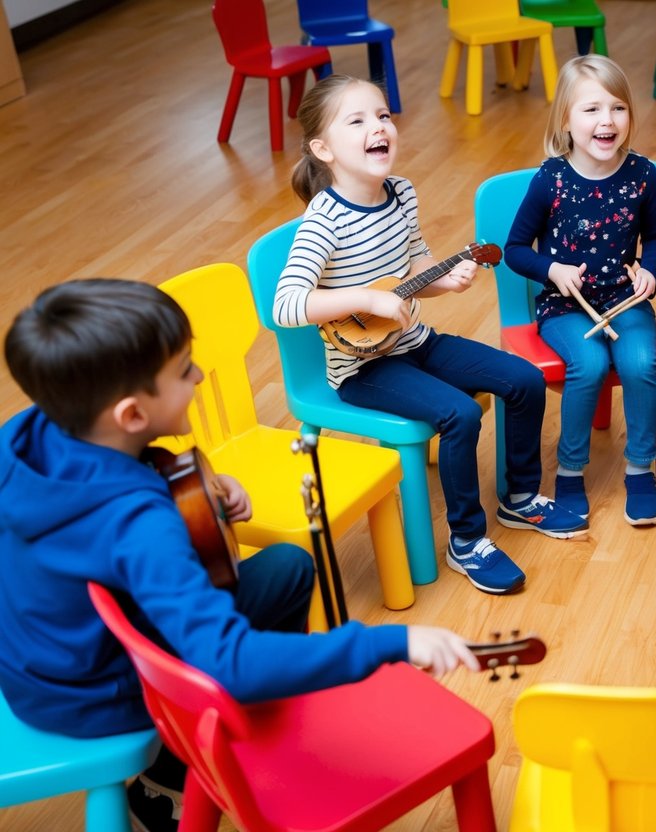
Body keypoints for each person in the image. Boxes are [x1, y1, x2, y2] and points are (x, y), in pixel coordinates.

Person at [0, 279, 480, 832]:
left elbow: (97, 507)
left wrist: (195, 490)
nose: (199, 376)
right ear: (131, 415)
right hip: (95, 697)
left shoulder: (27, 433)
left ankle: (242, 731)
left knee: (287, 568)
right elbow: (225, 659)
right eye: (184, 370)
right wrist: (390, 642)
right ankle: (180, 769)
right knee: (257, 637)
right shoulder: (140, 525)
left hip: (41, 660)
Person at [274, 75, 588, 596]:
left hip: (415, 341)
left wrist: (449, 278)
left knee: (525, 379)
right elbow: (286, 305)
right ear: (323, 148)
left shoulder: (401, 193)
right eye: (357, 121)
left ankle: (521, 498)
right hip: (362, 369)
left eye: (383, 116)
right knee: (460, 413)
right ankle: (466, 540)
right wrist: (366, 299)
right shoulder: (322, 223)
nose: (378, 128)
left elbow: (415, 267)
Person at [505, 55, 656, 527]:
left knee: (641, 362)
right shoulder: (550, 179)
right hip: (564, 305)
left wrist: (651, 271)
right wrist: (552, 268)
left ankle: (640, 467)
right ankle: (571, 471)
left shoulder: (643, 175)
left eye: (617, 108)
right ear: (565, 120)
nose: (606, 121)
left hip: (625, 298)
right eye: (591, 110)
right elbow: (516, 249)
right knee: (591, 362)